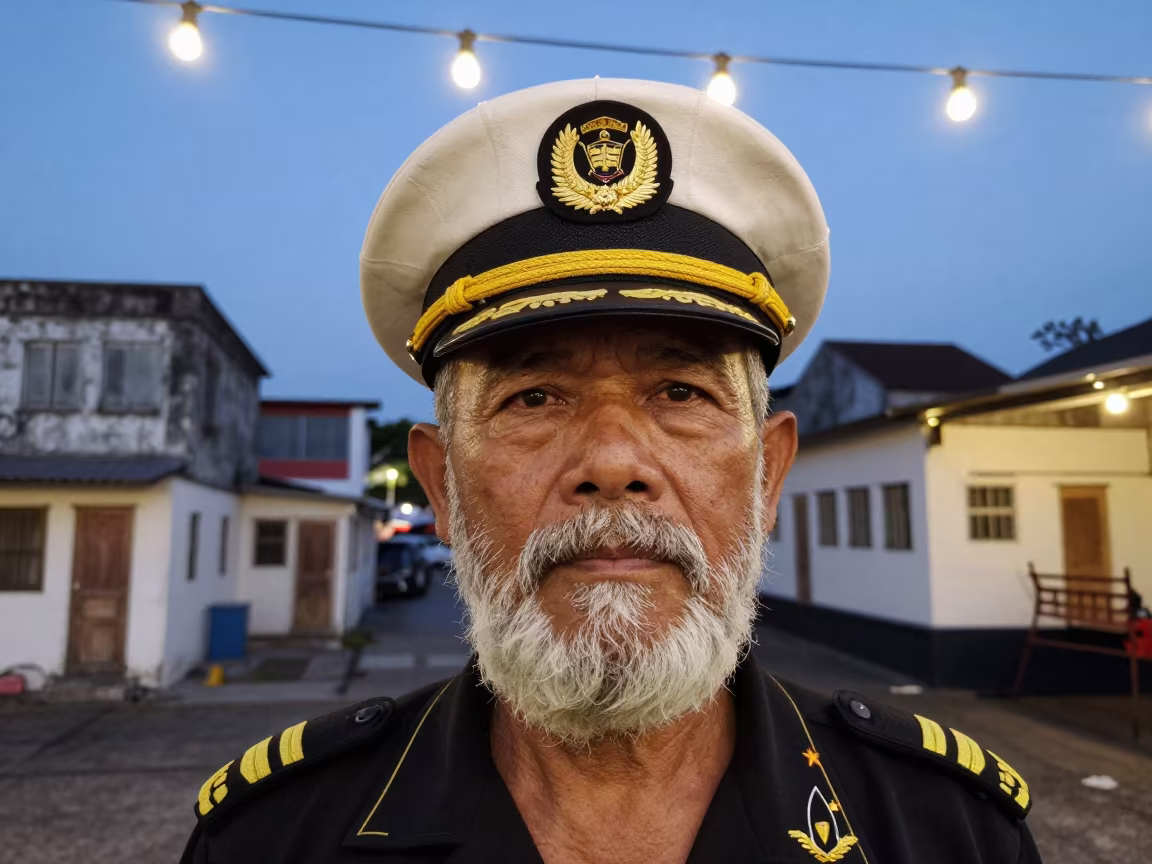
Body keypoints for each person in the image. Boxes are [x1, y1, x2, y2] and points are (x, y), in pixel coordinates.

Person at [181, 78, 1040, 864]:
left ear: (768, 476)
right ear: (440, 486)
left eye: (679, 390)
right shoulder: (274, 838)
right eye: (534, 398)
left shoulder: (947, 833)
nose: (613, 462)